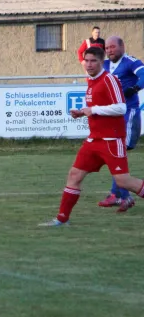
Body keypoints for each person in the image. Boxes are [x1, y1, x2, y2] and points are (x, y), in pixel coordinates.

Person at [40, 47, 144, 227]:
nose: (88, 64)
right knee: (74, 175)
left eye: (93, 61)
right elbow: (98, 108)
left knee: (123, 181)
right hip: (94, 139)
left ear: (101, 61)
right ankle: (62, 219)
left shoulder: (109, 79)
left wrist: (92, 110)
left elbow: (121, 108)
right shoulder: (91, 81)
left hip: (111, 140)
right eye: (86, 61)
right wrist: (82, 112)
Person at [96, 36, 144, 212]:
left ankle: (118, 196)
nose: (109, 51)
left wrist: (135, 88)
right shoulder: (106, 66)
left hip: (129, 114)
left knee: (119, 153)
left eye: (112, 47)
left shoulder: (130, 61)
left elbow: (143, 75)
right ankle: (122, 196)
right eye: (106, 48)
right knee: (116, 154)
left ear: (122, 47)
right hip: (113, 117)